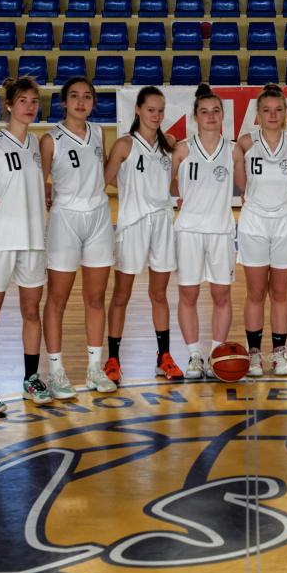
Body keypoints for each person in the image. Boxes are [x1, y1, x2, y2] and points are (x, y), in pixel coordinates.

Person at [0, 76, 53, 407]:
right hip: (2, 239)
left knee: (32, 311)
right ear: (8, 105)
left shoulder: (37, 144)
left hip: (33, 239)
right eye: (22, 101)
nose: (29, 107)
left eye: (34, 101)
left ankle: (31, 379)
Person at [40, 77, 117, 398]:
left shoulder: (99, 132)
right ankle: (56, 371)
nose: (81, 102)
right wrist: (47, 193)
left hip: (99, 217)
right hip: (65, 220)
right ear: (63, 102)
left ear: (94, 102)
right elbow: (38, 180)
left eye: (87, 96)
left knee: (96, 298)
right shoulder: (50, 139)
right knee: (57, 299)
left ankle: (94, 368)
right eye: (74, 96)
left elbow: (103, 174)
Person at [103, 85, 184, 382]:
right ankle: (113, 359)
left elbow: (170, 183)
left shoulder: (169, 143)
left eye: (161, 110)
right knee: (121, 295)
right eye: (151, 110)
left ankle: (164, 357)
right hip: (133, 224)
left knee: (159, 294)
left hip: (162, 223)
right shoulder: (124, 145)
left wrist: (185, 195)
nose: (156, 115)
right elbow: (104, 180)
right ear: (137, 110)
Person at [233, 84, 287, 377]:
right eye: (266, 110)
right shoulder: (245, 143)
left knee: (280, 293)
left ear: (286, 113)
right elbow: (241, 184)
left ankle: (279, 353)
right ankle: (254, 354)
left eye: (278, 110)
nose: (273, 115)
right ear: (258, 114)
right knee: (255, 292)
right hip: (254, 222)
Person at [169, 84, 236, 379]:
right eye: (204, 112)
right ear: (195, 116)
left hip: (221, 230)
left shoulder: (233, 150)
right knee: (188, 294)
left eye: (215, 111)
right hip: (189, 231)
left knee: (222, 295)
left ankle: (217, 354)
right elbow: (166, 181)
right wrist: (180, 195)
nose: (210, 116)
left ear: (223, 115)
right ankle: (195, 356)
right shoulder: (182, 149)